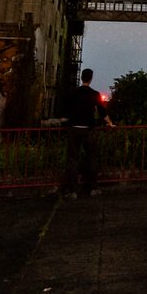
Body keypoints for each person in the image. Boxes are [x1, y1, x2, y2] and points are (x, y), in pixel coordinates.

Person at [62, 67, 115, 199]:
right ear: (91, 78)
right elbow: (103, 112)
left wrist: (64, 120)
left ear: (81, 78)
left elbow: (66, 112)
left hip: (74, 128)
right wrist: (110, 123)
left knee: (72, 159)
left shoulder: (74, 93)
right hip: (89, 129)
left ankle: (72, 190)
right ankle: (93, 188)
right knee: (92, 158)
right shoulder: (94, 94)